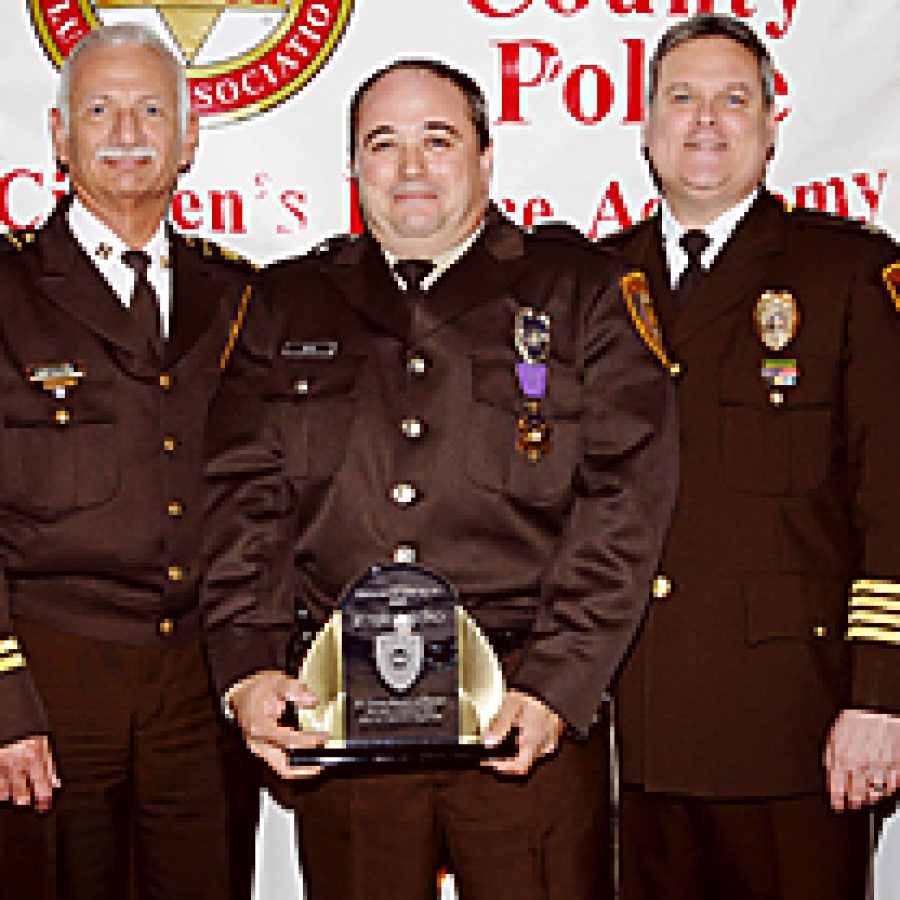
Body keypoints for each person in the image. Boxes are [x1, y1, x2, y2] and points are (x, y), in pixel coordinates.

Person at [201, 58, 678, 899]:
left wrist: (559, 686)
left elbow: (625, 501)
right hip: (346, 715)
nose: (411, 168)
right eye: (383, 144)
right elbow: (245, 498)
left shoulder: (577, 292)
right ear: (352, 168)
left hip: (521, 714)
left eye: (438, 140)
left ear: (486, 159)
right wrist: (246, 666)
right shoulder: (286, 303)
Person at [600, 13, 900, 900]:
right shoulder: (593, 281)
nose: (705, 121)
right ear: (647, 124)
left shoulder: (849, 275)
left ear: (773, 124)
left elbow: (893, 500)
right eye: (682, 98)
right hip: (631, 728)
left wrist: (880, 697)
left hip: (792, 726)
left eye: (734, 99)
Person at [0, 24, 258, 900]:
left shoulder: (238, 296)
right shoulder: (8, 291)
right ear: (60, 135)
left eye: (152, 110)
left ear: (189, 138)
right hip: (51, 675)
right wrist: (3, 705)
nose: (127, 133)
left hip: (199, 681)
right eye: (100, 110)